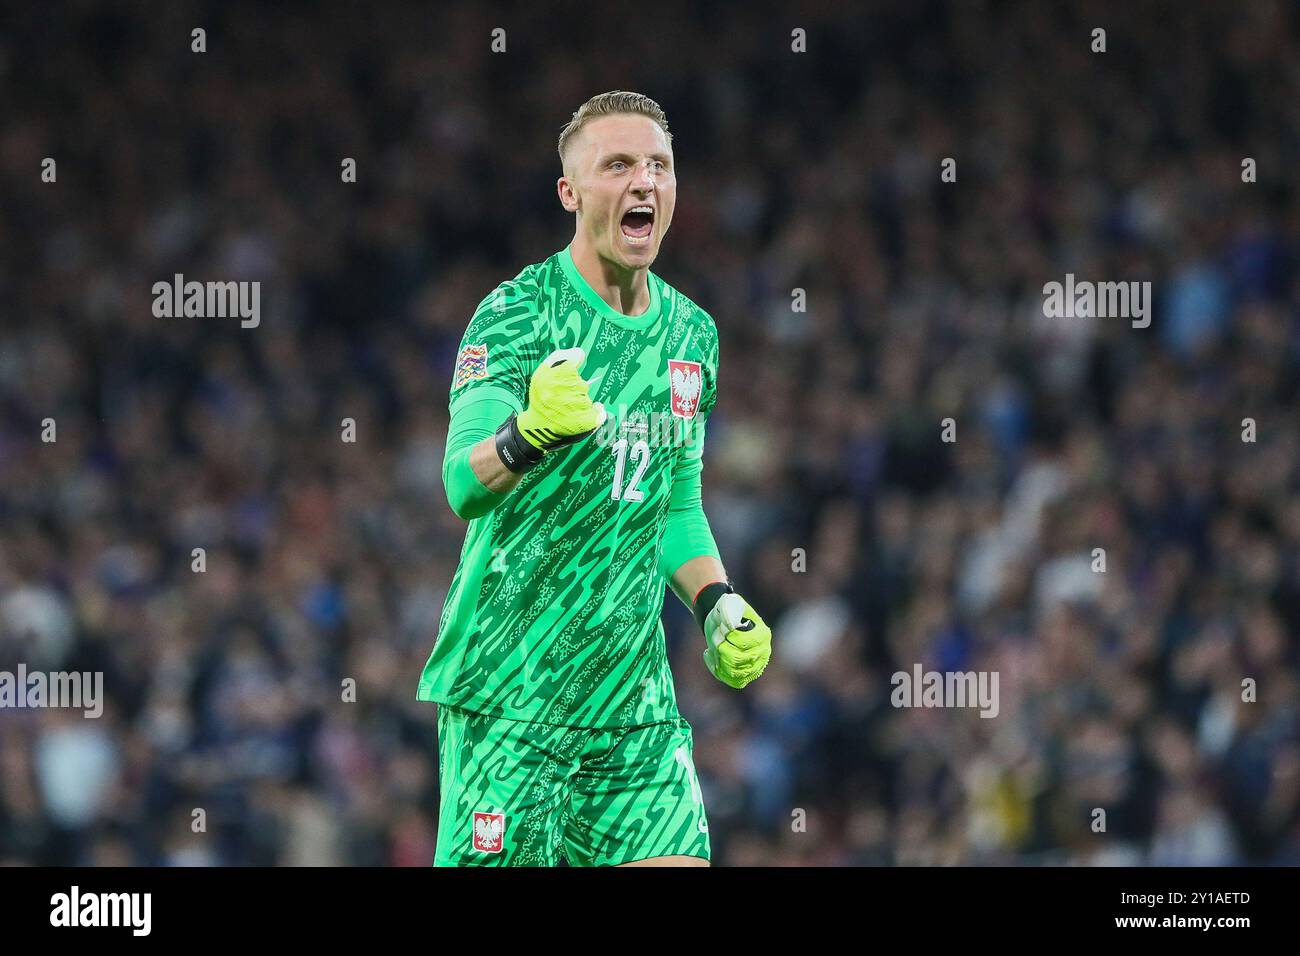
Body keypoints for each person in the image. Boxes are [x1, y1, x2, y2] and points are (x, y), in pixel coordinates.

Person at [419, 90, 773, 866]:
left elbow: (672, 505)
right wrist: (527, 433)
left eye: (659, 166)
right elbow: (461, 484)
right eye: (618, 165)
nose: (644, 181)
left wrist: (717, 603)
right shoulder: (517, 315)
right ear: (570, 193)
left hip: (632, 706)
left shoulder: (693, 337)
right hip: (510, 699)